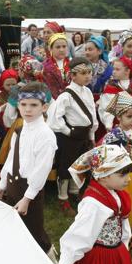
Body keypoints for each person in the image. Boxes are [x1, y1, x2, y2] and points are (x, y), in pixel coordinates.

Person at [0, 81, 57, 259]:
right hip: (14, 185)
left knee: (34, 229)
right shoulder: (20, 130)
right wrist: (2, 185)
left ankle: (51, 262)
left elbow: (41, 171)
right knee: (16, 227)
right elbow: (11, 158)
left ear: (44, 107)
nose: (28, 109)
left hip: (29, 190)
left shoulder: (45, 136)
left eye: (34, 105)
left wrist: (28, 198)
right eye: (23, 105)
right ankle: (23, 259)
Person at [47, 57, 98, 216]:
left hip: (83, 135)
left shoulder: (88, 91)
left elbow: (92, 115)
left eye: (89, 72)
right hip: (69, 137)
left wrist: (91, 135)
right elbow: (55, 119)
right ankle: (63, 197)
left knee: (80, 165)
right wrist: (69, 132)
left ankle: (74, 192)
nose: (88, 76)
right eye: (83, 73)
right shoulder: (65, 96)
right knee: (66, 167)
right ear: (73, 75)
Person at [102, 92, 132, 248]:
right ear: (119, 117)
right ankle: (121, 237)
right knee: (121, 205)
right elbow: (107, 157)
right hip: (119, 177)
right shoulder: (112, 136)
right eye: (129, 117)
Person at [98, 56, 132, 133]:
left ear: (127, 71)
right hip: (116, 124)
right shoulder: (111, 86)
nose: (113, 72)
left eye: (117, 69)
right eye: (113, 69)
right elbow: (107, 107)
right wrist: (108, 124)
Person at [42, 33, 70, 99]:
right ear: (50, 49)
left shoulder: (72, 64)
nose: (61, 50)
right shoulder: (45, 66)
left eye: (64, 46)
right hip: (51, 101)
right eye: (58, 47)